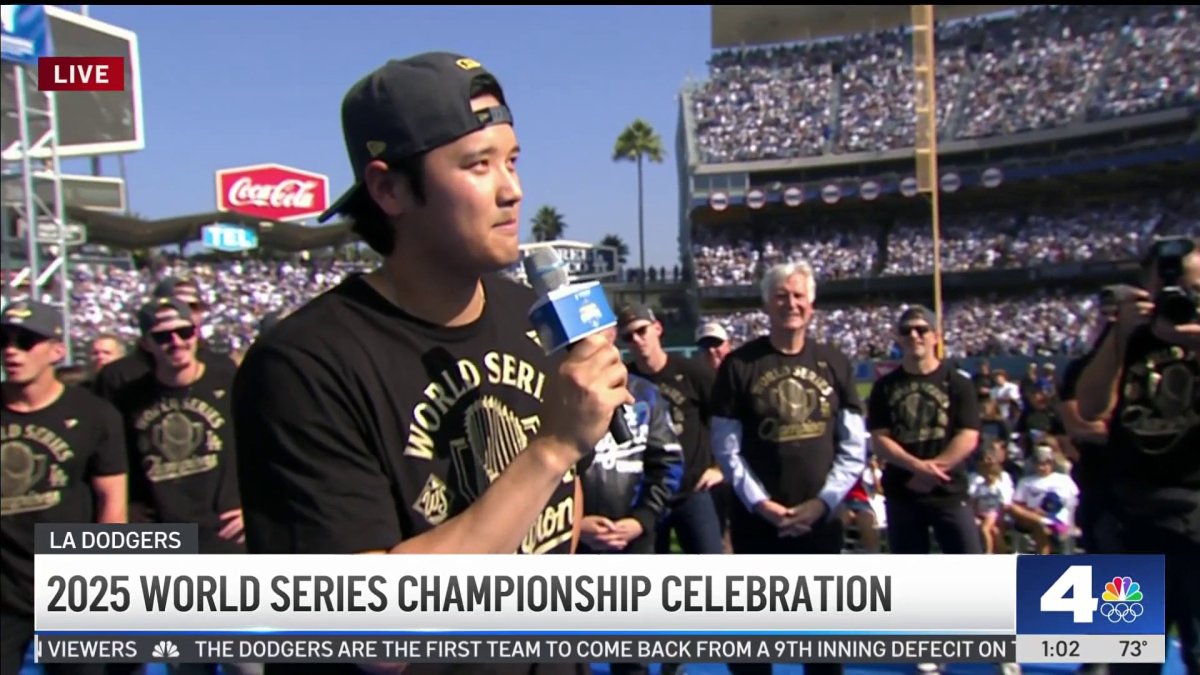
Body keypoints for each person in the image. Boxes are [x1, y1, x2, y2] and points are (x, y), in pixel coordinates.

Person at [232, 51, 630, 675]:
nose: (512, 189)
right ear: (388, 188)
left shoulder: (530, 312)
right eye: (477, 165)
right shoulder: (302, 364)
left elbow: (557, 517)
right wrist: (551, 448)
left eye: (513, 160)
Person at [710, 261, 867, 675]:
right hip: (757, 524)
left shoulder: (834, 361)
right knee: (752, 649)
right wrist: (762, 505)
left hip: (820, 523)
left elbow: (854, 445)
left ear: (811, 303)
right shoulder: (739, 365)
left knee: (823, 649)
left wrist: (823, 503)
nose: (790, 303)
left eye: (798, 295)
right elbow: (726, 448)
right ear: (766, 303)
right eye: (781, 295)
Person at [1076, 237, 1200, 675]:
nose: (1177, 298)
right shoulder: (1130, 333)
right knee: (1130, 656)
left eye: (1190, 288)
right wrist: (1118, 338)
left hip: (1196, 517)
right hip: (1133, 520)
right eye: (1165, 286)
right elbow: (1089, 406)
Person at [1, 301, 127, 675]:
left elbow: (113, 505)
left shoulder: (94, 414)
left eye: (26, 341)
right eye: (4, 340)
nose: (11, 349)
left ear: (56, 351)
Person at [867, 306, 984, 556]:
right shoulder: (884, 387)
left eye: (922, 330)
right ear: (898, 337)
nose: (914, 336)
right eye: (906, 331)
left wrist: (930, 472)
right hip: (903, 493)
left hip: (949, 493)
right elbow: (880, 439)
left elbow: (968, 435)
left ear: (935, 336)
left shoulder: (958, 383)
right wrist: (916, 468)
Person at [617, 303, 724, 556]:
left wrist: (720, 468)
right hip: (648, 495)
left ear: (657, 328)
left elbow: (726, 420)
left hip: (692, 491)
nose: (637, 340)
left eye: (642, 331)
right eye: (628, 337)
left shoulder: (694, 373)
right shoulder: (626, 380)